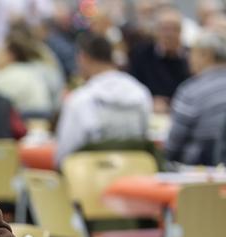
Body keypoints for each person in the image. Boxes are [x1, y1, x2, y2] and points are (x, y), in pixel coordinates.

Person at [54, 33, 152, 168]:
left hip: (88, 182)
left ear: (83, 58)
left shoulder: (79, 100)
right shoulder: (141, 93)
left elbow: (63, 157)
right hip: (133, 176)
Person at [166, 31, 226, 165]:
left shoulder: (191, 91)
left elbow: (174, 144)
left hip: (201, 171)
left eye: (192, 53)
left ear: (206, 55)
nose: (189, 58)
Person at [128, 7, 190, 113]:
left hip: (183, 111)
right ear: (156, 31)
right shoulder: (141, 54)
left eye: (174, 29)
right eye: (165, 29)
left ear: (181, 31)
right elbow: (132, 85)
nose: (169, 34)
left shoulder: (190, 56)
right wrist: (149, 100)